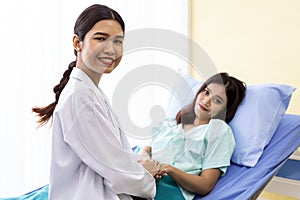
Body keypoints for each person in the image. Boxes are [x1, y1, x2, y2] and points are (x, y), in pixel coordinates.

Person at [32, 4, 158, 200]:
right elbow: (116, 172)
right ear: (77, 43)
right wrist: (147, 177)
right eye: (100, 38)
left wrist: (138, 165)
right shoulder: (80, 97)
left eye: (118, 41)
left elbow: (110, 156)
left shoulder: (89, 91)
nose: (111, 49)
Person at [139, 72, 246, 200]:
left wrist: (168, 169)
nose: (206, 101)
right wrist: (145, 159)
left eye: (217, 100)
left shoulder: (218, 131)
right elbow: (147, 148)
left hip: (168, 189)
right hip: (142, 177)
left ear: (225, 109)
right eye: (206, 92)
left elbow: (206, 185)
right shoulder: (171, 123)